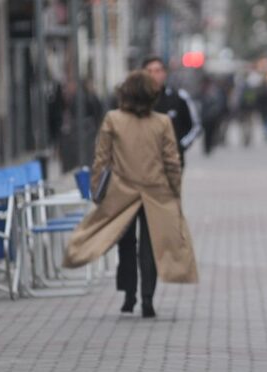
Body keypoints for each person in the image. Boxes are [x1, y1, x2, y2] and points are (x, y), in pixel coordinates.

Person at [63, 71, 199, 317]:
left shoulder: (113, 120)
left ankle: (129, 294)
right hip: (156, 193)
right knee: (150, 246)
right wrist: (175, 192)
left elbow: (101, 159)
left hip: (121, 193)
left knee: (125, 244)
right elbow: (172, 161)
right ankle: (148, 298)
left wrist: (96, 190)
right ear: (152, 95)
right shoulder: (161, 122)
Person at [142, 56, 202, 167]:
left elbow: (195, 126)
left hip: (172, 164)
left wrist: (180, 146)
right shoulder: (135, 100)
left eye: (157, 71)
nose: (153, 75)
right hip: (142, 164)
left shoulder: (178, 98)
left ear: (164, 73)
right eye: (149, 71)